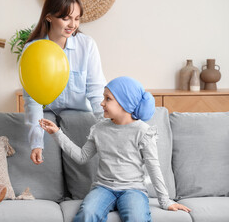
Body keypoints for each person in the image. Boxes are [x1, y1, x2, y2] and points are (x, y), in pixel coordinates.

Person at [39, 76, 191, 222]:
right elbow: (81, 156)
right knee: (87, 214)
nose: (101, 103)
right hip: (103, 188)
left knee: (137, 218)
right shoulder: (99, 129)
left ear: (125, 103)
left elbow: (153, 168)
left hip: (134, 190)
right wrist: (57, 133)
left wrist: (165, 201)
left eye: (108, 99)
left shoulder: (143, 131)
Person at [23, 0, 106, 165]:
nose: (72, 25)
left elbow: (96, 90)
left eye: (76, 19)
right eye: (65, 18)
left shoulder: (87, 45)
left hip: (79, 115)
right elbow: (33, 100)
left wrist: (108, 126)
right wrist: (36, 142)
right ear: (49, 16)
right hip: (47, 116)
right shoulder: (32, 50)